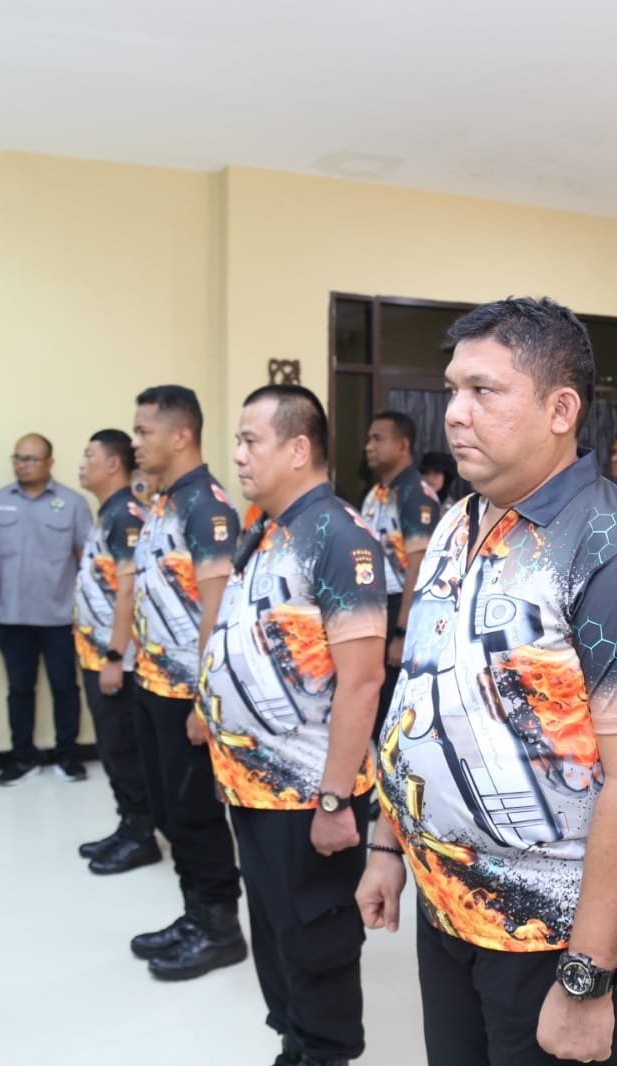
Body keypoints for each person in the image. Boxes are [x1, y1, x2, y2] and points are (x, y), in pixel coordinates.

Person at [358, 298, 617, 1066]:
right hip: (448, 898)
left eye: (484, 391)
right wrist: (386, 843)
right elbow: (418, 691)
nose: (455, 413)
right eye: (453, 390)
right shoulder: (459, 521)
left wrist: (586, 978)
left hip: (551, 931)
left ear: (560, 410)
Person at [201, 384, 386, 1066]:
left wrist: (335, 801)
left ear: (298, 448)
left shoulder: (338, 536)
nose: (238, 455)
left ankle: (323, 1050)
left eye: (251, 440)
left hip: (308, 792)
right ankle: (294, 1041)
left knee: (314, 935)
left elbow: (362, 680)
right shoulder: (268, 529)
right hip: (255, 786)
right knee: (277, 929)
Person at [126, 385, 247, 981]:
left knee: (195, 815)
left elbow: (216, 611)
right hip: (154, 683)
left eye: (144, 431)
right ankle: (194, 913)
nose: (135, 442)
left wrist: (204, 699)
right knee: (172, 813)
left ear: (180, 436)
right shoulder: (167, 501)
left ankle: (220, 928)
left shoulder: (207, 505)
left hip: (186, 695)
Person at [0, 433, 92, 785]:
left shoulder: (72, 503)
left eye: (30, 459)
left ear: (49, 463)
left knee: (65, 687)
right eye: (18, 458)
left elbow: (86, 561)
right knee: (19, 690)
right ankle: (22, 758)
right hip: (11, 616)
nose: (22, 465)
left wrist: (88, 614)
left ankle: (67, 756)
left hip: (60, 618)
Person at [72, 429, 158, 875]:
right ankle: (128, 826)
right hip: (98, 655)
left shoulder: (125, 515)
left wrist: (115, 657)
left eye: (89, 456)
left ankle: (142, 837)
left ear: (112, 464)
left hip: (115, 660)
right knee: (111, 749)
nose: (81, 464)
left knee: (123, 750)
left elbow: (130, 592)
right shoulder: (109, 513)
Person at [360, 410, 440, 731]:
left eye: (377, 439)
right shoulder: (377, 493)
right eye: (369, 439)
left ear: (403, 445)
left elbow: (419, 567)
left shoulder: (415, 493)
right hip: (374, 608)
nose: (369, 446)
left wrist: (402, 632)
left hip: (399, 611)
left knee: (389, 710)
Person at [418, 450, 459, 515]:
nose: (430, 478)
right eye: (426, 472)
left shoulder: (455, 510)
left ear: (446, 477)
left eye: (436, 472)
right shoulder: (413, 503)